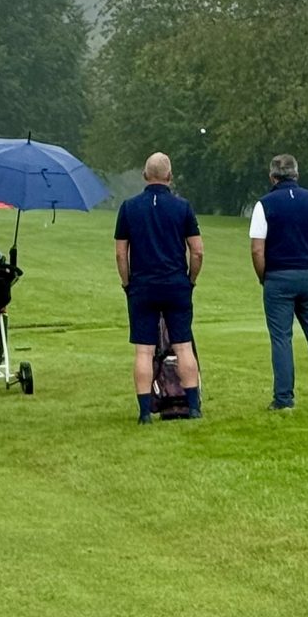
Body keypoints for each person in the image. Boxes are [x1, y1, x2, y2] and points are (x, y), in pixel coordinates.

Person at [114, 152, 202, 422]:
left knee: (144, 350)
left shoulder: (129, 207)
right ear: (170, 176)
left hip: (143, 285)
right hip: (175, 283)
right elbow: (197, 251)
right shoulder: (183, 207)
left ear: (144, 175)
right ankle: (194, 407)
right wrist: (191, 279)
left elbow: (120, 253)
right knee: (183, 345)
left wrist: (127, 283)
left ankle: (144, 413)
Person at [248, 153, 308, 410]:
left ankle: (284, 399)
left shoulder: (264, 205)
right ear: (296, 174)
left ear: (272, 177)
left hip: (278, 277)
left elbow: (257, 249)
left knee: (281, 338)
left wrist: (263, 276)